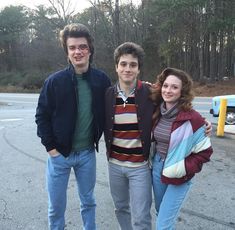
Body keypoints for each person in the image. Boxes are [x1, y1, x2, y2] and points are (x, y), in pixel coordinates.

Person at [35, 23, 111, 230]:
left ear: (90, 50)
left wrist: (150, 91)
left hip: (87, 155)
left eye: (82, 47)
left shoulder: (101, 80)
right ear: (67, 52)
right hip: (60, 155)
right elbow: (41, 117)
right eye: (72, 47)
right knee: (56, 207)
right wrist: (51, 149)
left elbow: (121, 102)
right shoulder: (54, 82)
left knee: (88, 202)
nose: (78, 52)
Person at [151, 67, 213, 230]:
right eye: (165, 86)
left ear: (182, 91)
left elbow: (205, 152)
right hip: (157, 167)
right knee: (160, 214)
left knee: (162, 225)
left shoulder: (193, 118)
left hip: (180, 175)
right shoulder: (157, 110)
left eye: (174, 87)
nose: (168, 90)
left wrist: (184, 168)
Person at [104, 42, 155, 230]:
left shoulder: (151, 93)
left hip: (140, 167)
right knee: (121, 209)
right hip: (115, 166)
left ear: (139, 68)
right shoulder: (107, 95)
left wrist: (200, 123)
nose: (127, 69)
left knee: (141, 218)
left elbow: (176, 106)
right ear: (116, 67)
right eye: (123, 64)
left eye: (132, 65)